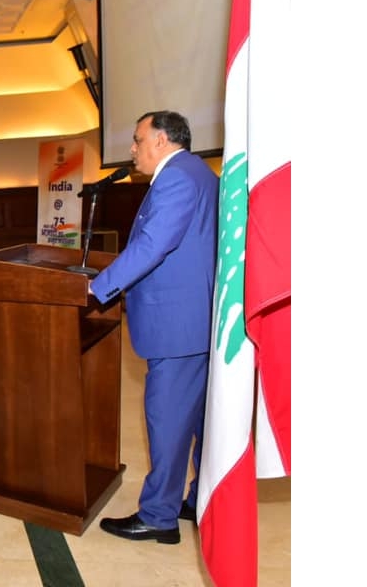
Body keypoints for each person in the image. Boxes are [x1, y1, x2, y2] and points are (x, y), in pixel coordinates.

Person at [90, 111, 218, 545]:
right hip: (194, 321)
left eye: (137, 139)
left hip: (177, 325)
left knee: (167, 422)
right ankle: (199, 500)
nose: (132, 149)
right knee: (200, 422)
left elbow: (152, 244)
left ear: (161, 140)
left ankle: (159, 516)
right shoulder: (199, 173)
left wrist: (99, 287)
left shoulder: (177, 177)